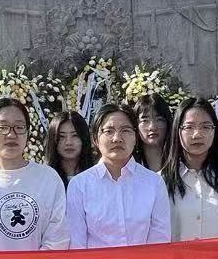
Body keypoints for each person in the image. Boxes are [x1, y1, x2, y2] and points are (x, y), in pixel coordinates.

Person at [0, 98, 69, 251]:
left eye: (19, 127)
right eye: (3, 127)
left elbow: (57, 238)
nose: (11, 134)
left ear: (27, 133)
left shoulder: (48, 178)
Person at [66, 102, 171, 248]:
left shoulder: (154, 183)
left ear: (136, 137)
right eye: (109, 131)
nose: (117, 138)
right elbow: (77, 244)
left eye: (125, 130)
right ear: (95, 139)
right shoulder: (79, 185)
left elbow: (160, 241)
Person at [44, 110, 95, 188]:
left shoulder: (96, 175)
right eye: (62, 136)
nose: (68, 142)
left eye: (75, 135)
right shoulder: (45, 176)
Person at [132, 93, 173, 174]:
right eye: (145, 121)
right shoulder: (129, 164)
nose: (152, 127)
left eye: (159, 119)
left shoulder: (180, 163)